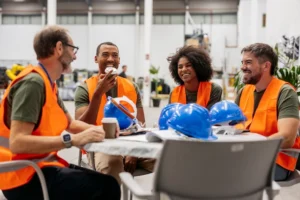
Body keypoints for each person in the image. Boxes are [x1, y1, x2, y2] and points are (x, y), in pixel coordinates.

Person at [0, 26, 120, 200]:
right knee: (106, 187)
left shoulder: (49, 84)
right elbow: (18, 143)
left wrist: (102, 130)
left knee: (107, 183)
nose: (75, 56)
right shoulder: (33, 84)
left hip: (39, 166)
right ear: (59, 48)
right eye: (73, 49)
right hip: (22, 176)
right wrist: (72, 140)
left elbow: (70, 124)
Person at [74, 42, 154, 184]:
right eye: (105, 55)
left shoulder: (131, 86)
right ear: (96, 59)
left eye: (115, 55)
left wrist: (134, 153)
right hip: (100, 146)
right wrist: (98, 93)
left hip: (130, 145)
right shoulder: (85, 88)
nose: (111, 59)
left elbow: (141, 126)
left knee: (168, 158)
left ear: (119, 60)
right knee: (113, 163)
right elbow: (80, 126)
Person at [235, 43, 299, 181]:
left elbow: (287, 138)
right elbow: (230, 125)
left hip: (277, 159)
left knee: (227, 173)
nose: (243, 67)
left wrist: (251, 149)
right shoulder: (244, 92)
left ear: (266, 66)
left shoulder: (285, 92)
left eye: (248, 62)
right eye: (242, 62)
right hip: (245, 155)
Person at [168, 45, 222, 110]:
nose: (184, 69)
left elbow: (211, 117)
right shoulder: (174, 93)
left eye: (188, 65)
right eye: (180, 67)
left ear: (198, 67)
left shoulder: (213, 89)